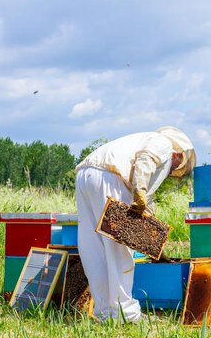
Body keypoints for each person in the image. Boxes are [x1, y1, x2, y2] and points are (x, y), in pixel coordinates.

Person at [75, 126, 196, 322]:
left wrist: (156, 243)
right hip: (111, 179)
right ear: (178, 154)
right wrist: (139, 192)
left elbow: (146, 205)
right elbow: (146, 161)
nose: (172, 170)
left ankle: (104, 312)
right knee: (119, 248)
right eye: (175, 167)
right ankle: (125, 313)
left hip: (85, 177)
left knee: (94, 248)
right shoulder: (163, 143)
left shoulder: (134, 142)